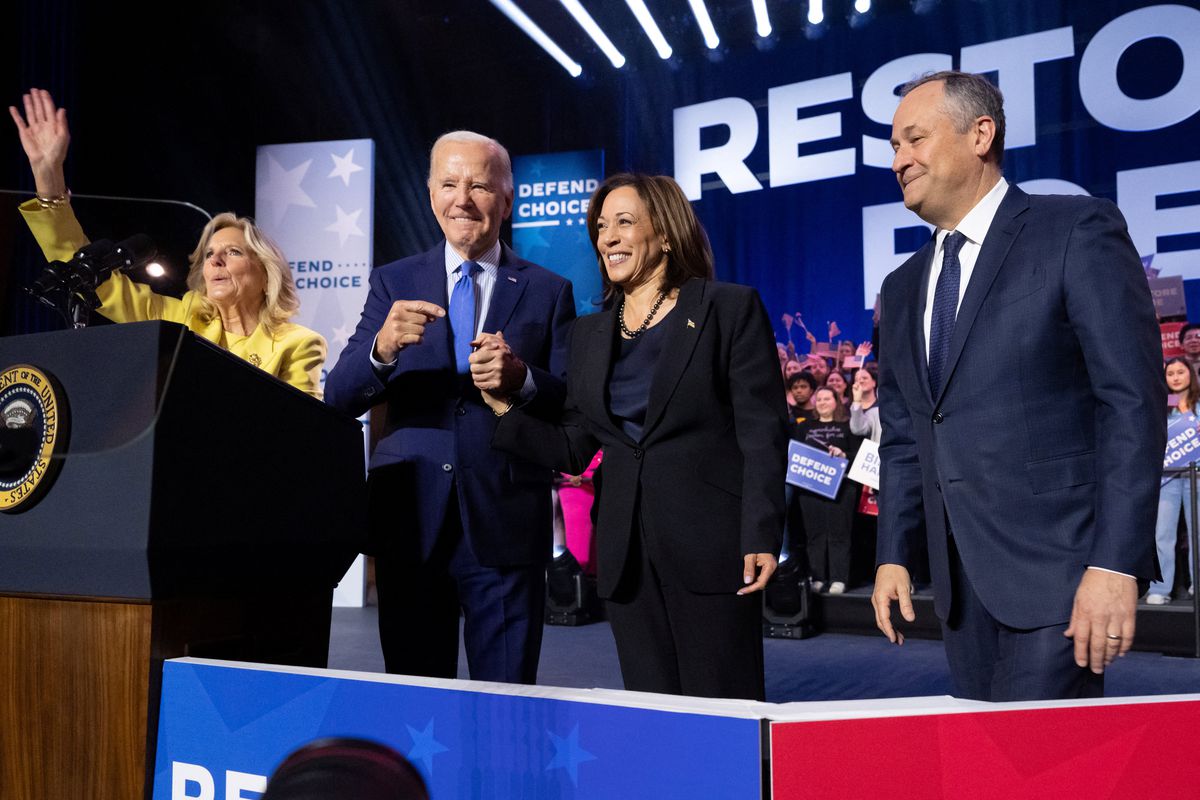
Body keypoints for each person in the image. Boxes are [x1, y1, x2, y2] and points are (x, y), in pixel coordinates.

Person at [872, 70, 1164, 701]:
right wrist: (893, 554)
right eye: (894, 147)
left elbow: (1131, 402)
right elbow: (903, 436)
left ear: (981, 134)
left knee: (1050, 779)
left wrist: (1115, 564)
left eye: (913, 140)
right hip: (958, 594)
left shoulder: (1076, 231)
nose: (899, 161)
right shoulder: (900, 290)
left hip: (1062, 574)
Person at [480, 173, 786, 701]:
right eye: (601, 226)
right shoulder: (589, 333)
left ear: (665, 233)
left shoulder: (728, 309)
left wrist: (761, 534)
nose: (608, 238)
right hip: (626, 557)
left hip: (712, 550)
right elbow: (577, 445)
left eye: (624, 222)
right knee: (654, 712)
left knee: (723, 710)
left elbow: (763, 434)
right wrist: (506, 411)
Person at [324, 131, 574, 685]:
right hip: (409, 522)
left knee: (506, 701)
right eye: (449, 184)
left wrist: (522, 380)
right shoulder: (393, 282)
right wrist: (381, 349)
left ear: (506, 201)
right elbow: (338, 396)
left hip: (505, 519)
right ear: (431, 195)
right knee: (414, 698)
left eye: (480, 185)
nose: (462, 199)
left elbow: (570, 404)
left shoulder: (548, 290)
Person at [9, 88, 325, 396]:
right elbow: (94, 280)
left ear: (267, 275)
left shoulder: (298, 344)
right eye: (210, 254)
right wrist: (49, 177)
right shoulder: (184, 319)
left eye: (233, 252)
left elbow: (300, 432)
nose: (214, 261)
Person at [794, 387, 862, 594]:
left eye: (827, 399)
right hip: (810, 487)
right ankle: (818, 578)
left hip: (842, 488)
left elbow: (858, 453)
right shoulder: (804, 427)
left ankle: (839, 578)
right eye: (819, 399)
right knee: (815, 535)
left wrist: (843, 454)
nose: (822, 402)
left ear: (836, 401)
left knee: (839, 534)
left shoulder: (847, 425)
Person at [1148, 357, 1199, 605]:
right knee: (1163, 533)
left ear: (1190, 374)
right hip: (1167, 476)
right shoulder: (1164, 404)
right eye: (1171, 373)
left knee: (1198, 532)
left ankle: (1196, 585)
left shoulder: (1199, 404)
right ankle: (1160, 588)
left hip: (1197, 474)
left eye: (1181, 372)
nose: (1176, 377)